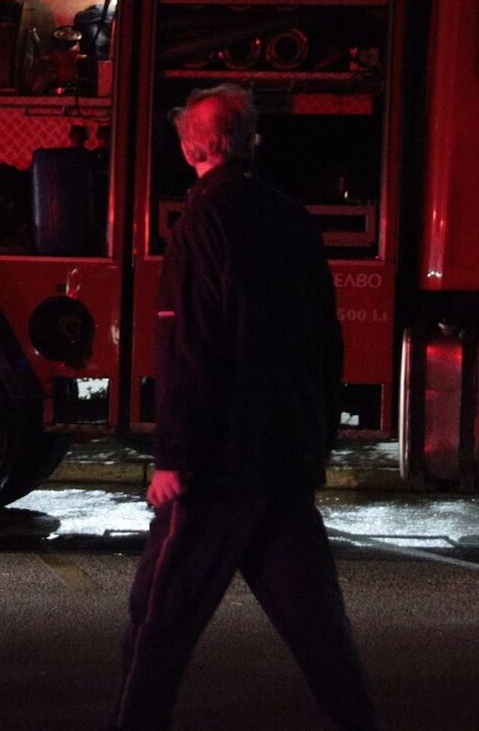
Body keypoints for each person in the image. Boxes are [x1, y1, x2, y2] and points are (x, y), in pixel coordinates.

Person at [113, 85, 381, 729]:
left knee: (159, 621)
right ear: (248, 139)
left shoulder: (203, 221)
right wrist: (316, 433)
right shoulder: (289, 216)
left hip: (221, 467)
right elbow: (325, 335)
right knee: (316, 623)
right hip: (284, 457)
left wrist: (174, 457)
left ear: (190, 148)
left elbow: (191, 347)